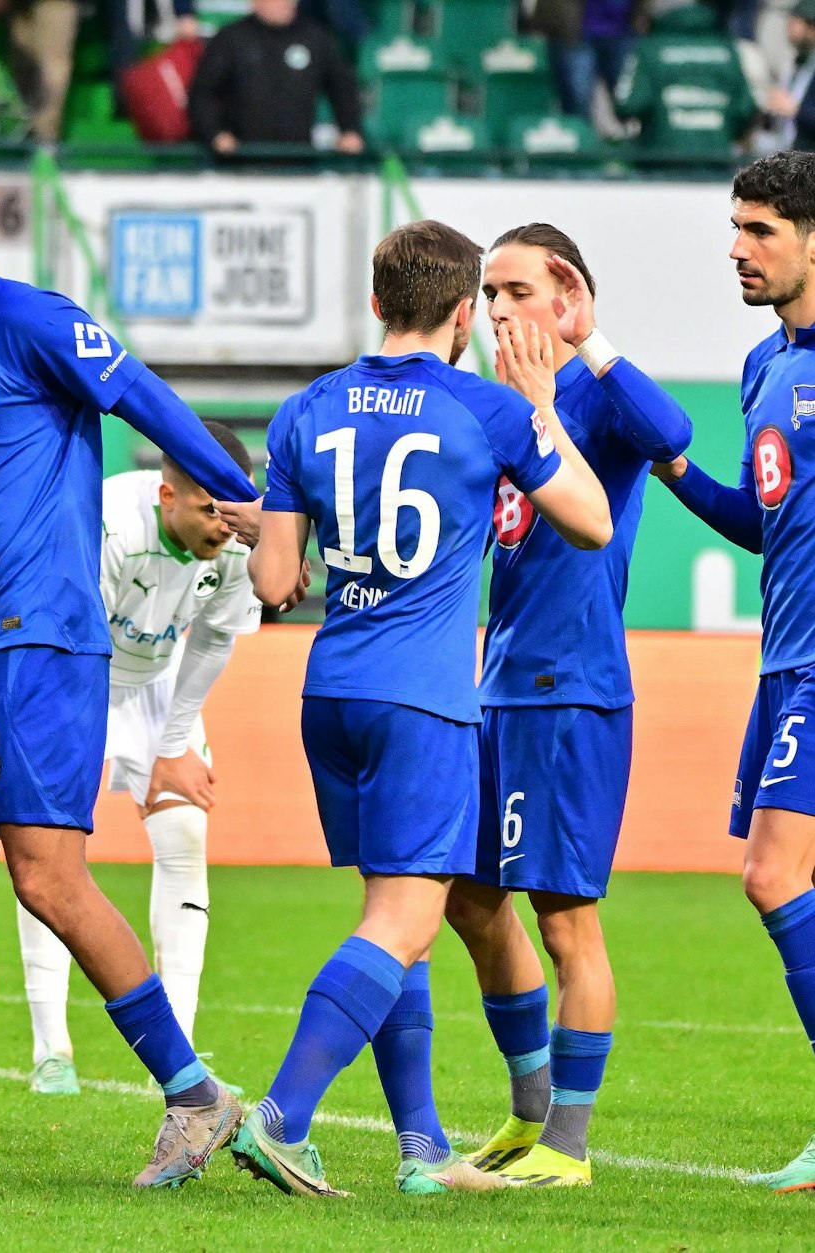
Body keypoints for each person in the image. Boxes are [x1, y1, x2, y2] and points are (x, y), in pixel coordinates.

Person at [0, 151, 261, 1189]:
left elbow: (146, 399)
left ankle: (195, 1095)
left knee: (45, 871)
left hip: (37, 638)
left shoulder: (30, 317)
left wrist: (247, 502)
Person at [233, 218, 612, 1199]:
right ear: (458, 313)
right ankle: (278, 1116)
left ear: (372, 301)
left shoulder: (303, 410)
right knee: (402, 919)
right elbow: (589, 518)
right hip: (424, 699)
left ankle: (419, 1149)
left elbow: (274, 580)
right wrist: (537, 406)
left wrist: (290, 526)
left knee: (391, 914)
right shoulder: (482, 408)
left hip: (331, 691)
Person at [442, 224, 692, 1190]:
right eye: (487, 292)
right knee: (470, 898)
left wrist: (586, 350)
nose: (497, 307)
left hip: (570, 688)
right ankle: (529, 1111)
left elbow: (671, 437)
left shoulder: (591, 393)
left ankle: (569, 1149)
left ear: (567, 294)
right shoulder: (499, 404)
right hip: (498, 687)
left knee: (566, 923)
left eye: (513, 289)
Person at [0, 436, 262, 1095]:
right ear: (165, 493)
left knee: (185, 835)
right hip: (75, 673)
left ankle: (177, 1049)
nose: (223, 528)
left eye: (230, 514)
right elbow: (74, 630)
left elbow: (214, 640)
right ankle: (50, 1047)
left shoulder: (234, 537)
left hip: (160, 682)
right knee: (48, 850)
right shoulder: (112, 520)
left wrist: (173, 745)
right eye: (207, 511)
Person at [652, 149, 815, 1193]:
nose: (734, 248)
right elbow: (760, 526)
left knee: (770, 874)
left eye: (757, 231)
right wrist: (668, 466)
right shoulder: (764, 367)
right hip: (783, 661)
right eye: (734, 227)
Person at [187, 0, 363, 155]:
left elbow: (343, 88)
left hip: (299, 161)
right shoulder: (231, 39)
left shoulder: (315, 39)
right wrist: (214, 134)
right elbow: (202, 93)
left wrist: (350, 129)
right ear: (255, 2)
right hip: (240, 161)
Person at [762, 0, 815, 152]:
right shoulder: (795, 63)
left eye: (794, 23)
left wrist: (796, 110)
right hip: (789, 156)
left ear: (811, 27)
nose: (788, 28)